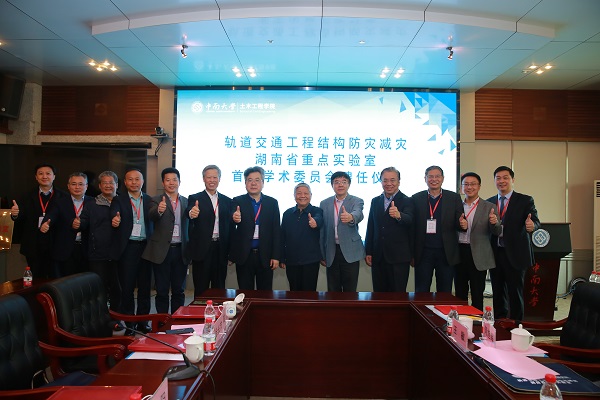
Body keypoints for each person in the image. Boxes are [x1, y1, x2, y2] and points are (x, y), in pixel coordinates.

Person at [486, 166, 540, 320]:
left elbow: (535, 221)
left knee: (515, 293)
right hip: (496, 253)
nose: (501, 181)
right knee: (497, 292)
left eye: (505, 178)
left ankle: (516, 325)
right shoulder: (489, 202)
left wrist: (532, 226)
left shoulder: (525, 200)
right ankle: (500, 323)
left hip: (516, 254)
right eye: (498, 178)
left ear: (512, 180)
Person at [110, 168, 153, 333]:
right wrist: (115, 219)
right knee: (127, 288)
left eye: (137, 179)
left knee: (145, 287)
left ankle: (143, 321)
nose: (134, 182)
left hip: (146, 248)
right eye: (130, 179)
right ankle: (130, 324)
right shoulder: (118, 200)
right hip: (128, 248)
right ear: (125, 182)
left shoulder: (149, 200)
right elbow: (114, 213)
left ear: (142, 181)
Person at [411, 165, 466, 293]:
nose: (434, 179)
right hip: (423, 252)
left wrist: (463, 225)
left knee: (445, 291)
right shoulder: (416, 198)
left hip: (446, 253)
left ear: (443, 178)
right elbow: (412, 227)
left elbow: (459, 221)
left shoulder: (453, 198)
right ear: (425, 179)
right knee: (421, 290)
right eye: (430, 176)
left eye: (437, 176)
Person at [143, 167, 189, 314]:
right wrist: (159, 210)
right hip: (162, 251)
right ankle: (162, 321)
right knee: (162, 290)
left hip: (181, 251)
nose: (171, 183)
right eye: (168, 180)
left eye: (174, 180)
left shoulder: (186, 201)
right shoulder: (156, 200)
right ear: (163, 183)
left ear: (179, 182)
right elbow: (151, 216)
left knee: (179, 290)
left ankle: (176, 320)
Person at [10, 163, 67, 279]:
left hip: (55, 244)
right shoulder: (26, 196)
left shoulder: (64, 197)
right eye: (41, 174)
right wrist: (15, 215)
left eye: (48, 173)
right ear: (36, 177)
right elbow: (20, 217)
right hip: (33, 244)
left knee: (55, 278)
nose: (44, 176)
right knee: (35, 277)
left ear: (54, 176)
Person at [455, 172, 502, 311]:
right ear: (461, 187)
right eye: (466, 184)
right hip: (459, 253)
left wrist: (494, 223)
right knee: (460, 293)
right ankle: (460, 320)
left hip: (479, 254)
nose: (469, 187)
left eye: (473, 184)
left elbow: (497, 231)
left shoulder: (489, 206)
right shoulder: (456, 206)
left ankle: (477, 320)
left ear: (479, 186)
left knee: (477, 293)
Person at [229, 166, 281, 290]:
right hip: (244, 255)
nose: (253, 183)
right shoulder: (237, 201)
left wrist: (276, 256)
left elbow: (276, 231)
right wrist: (234, 217)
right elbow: (231, 220)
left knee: (265, 292)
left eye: (257, 180)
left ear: (263, 183)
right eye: (250, 180)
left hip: (265, 255)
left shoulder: (272, 203)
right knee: (245, 291)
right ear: (245, 183)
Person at [186, 165, 233, 296]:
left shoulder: (227, 200)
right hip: (202, 250)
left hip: (220, 249)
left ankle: (218, 310)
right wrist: (191, 213)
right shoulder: (195, 198)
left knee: (219, 287)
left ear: (219, 179)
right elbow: (189, 212)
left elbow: (229, 228)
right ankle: (200, 310)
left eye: (215, 177)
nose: (212, 180)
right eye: (209, 177)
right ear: (203, 179)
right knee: (201, 287)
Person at [365, 167, 413, 292]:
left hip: (398, 258)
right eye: (385, 180)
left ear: (399, 182)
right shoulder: (375, 201)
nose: (389, 183)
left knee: (397, 295)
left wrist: (399, 215)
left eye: (392, 180)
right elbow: (371, 227)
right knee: (378, 294)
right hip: (378, 256)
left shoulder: (407, 200)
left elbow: (410, 220)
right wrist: (368, 251)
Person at [80, 170, 121, 311]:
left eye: (111, 183)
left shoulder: (123, 202)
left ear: (117, 185)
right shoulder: (91, 204)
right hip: (97, 253)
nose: (108, 185)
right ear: (99, 186)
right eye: (105, 183)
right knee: (99, 288)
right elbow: (84, 222)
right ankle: (101, 317)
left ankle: (116, 316)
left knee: (118, 287)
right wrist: (78, 223)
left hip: (119, 253)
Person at [320, 171, 365, 292]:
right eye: (337, 182)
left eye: (344, 182)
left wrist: (351, 217)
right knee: (333, 289)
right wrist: (322, 253)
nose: (340, 185)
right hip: (331, 250)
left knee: (350, 289)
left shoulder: (357, 201)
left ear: (349, 184)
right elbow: (323, 230)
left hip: (350, 250)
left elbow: (358, 213)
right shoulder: (324, 203)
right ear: (332, 185)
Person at [47, 172, 93, 277]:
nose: (77, 187)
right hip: (65, 250)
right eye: (74, 184)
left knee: (84, 282)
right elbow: (51, 216)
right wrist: (46, 223)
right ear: (68, 186)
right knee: (65, 282)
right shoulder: (59, 202)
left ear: (86, 186)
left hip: (86, 250)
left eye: (81, 184)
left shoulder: (93, 202)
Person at [280, 183, 324, 291]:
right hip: (291, 260)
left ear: (311, 195)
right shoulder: (287, 213)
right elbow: (282, 237)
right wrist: (281, 257)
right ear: (294, 196)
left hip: (311, 261)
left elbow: (319, 219)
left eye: (306, 193)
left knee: (309, 293)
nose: (302, 196)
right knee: (293, 292)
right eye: (299, 193)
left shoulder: (317, 211)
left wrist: (315, 222)